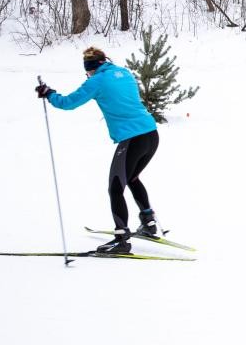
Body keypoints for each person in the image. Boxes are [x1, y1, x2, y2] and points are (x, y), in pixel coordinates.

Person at [35, 47, 161, 254]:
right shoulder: (124, 72)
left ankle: (121, 239)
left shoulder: (96, 81)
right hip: (151, 134)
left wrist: (49, 94)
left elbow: (67, 103)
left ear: (91, 68)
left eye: (88, 72)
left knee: (115, 187)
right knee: (132, 178)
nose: (88, 75)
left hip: (132, 139)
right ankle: (148, 223)